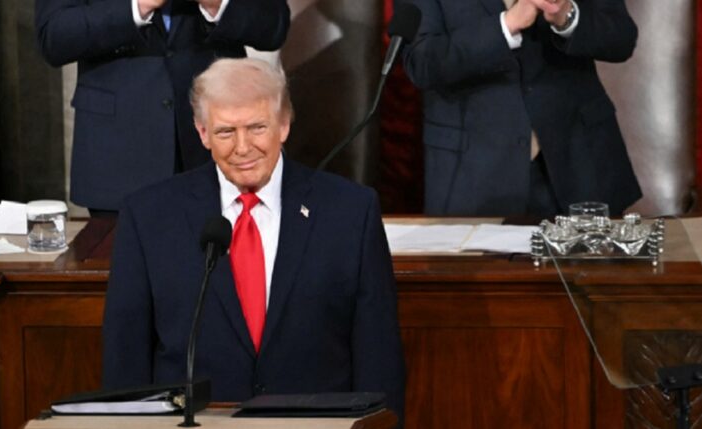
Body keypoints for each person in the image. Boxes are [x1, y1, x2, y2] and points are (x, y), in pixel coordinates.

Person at [102, 58, 405, 420]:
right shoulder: (149, 216)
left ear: (284, 125)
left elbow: (378, 354)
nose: (243, 148)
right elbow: (126, 358)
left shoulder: (351, 212)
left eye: (257, 127)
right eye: (226, 132)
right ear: (201, 132)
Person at [35, 0, 290, 216]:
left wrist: (217, 4)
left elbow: (274, 25)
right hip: (118, 155)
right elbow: (54, 37)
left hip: (216, 147)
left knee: (221, 272)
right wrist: (139, 6)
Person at [399, 0, 642, 217]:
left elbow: (621, 38)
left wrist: (566, 16)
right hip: (474, 174)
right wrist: (507, 24)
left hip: (580, 164)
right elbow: (422, 61)